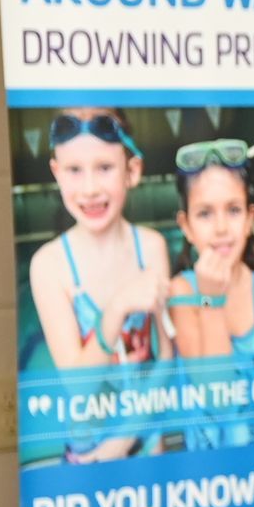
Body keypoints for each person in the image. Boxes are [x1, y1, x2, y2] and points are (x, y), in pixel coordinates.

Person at [26, 107, 172, 462]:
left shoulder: (151, 247)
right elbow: (79, 385)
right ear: (57, 173)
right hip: (89, 455)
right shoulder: (50, 265)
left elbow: (166, 358)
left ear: (132, 171)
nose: (89, 189)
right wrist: (118, 308)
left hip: (147, 442)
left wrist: (123, 441)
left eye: (104, 168)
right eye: (74, 170)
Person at [166, 139, 254, 447]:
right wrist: (212, 301)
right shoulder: (182, 291)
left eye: (233, 210)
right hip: (207, 464)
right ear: (186, 226)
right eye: (205, 214)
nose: (221, 228)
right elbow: (216, 397)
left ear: (249, 219)